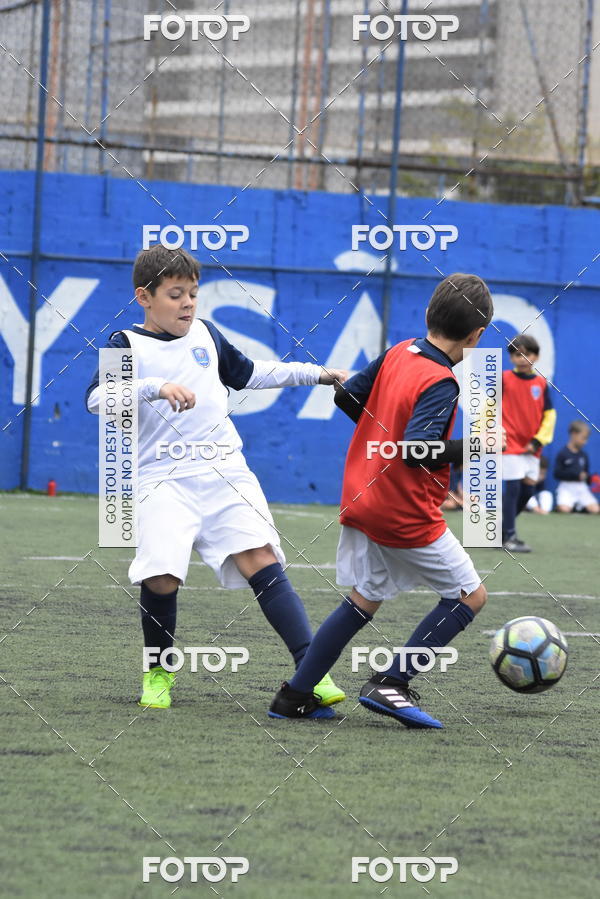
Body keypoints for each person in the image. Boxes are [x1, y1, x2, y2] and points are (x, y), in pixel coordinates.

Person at [86, 244, 347, 713]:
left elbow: (250, 374)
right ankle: (159, 673)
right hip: (162, 478)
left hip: (225, 471)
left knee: (262, 559)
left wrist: (319, 374)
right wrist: (155, 387)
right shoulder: (124, 343)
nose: (187, 303)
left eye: (192, 293)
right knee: (162, 576)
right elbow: (97, 399)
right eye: (175, 295)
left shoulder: (206, 333)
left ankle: (311, 671)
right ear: (144, 297)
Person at [269, 273, 493, 728]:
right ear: (476, 336)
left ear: (428, 315)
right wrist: (477, 446)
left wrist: (382, 434)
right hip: (402, 511)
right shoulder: (442, 381)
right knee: (470, 595)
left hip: (364, 497)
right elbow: (416, 450)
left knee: (364, 598)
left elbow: (348, 397)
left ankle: (293, 696)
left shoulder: (399, 351)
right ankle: (392, 682)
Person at [501, 334, 556, 552]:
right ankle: (509, 537)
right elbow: (489, 408)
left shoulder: (541, 383)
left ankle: (501, 532)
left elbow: (549, 415)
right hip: (509, 444)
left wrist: (537, 441)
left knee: (527, 492)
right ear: (511, 358)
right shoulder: (503, 379)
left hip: (531, 447)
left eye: (527, 354)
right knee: (513, 487)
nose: (522, 359)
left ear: (536, 357)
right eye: (517, 354)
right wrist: (485, 433)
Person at [554, 421, 599, 514]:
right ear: (573, 434)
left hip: (581, 487)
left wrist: (590, 478)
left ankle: (579, 507)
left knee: (595, 509)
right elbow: (557, 474)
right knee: (564, 509)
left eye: (586, 439)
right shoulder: (563, 453)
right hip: (566, 487)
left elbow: (586, 474)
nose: (585, 442)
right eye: (583, 438)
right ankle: (574, 506)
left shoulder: (583, 455)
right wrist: (576, 475)